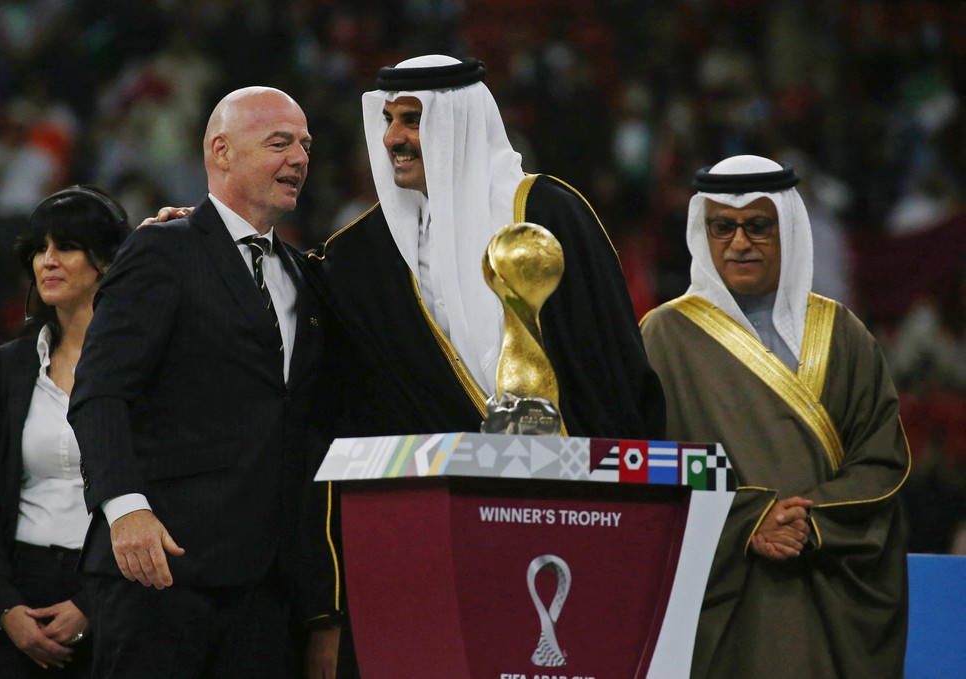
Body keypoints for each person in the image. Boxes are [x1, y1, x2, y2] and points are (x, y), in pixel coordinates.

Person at [67, 87, 343, 678]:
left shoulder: (305, 275)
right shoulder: (161, 250)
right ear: (221, 151)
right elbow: (101, 391)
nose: (299, 158)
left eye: (305, 144)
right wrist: (124, 509)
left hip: (267, 590)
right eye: (279, 143)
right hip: (162, 572)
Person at [640, 155, 910, 678]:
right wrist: (746, 519)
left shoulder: (845, 334)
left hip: (824, 584)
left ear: (787, 228)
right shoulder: (663, 338)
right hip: (720, 594)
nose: (739, 243)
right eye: (723, 227)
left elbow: (882, 461)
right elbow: (645, 471)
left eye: (758, 226)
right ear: (704, 231)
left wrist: (810, 519)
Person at [306, 54, 665, 439]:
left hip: (573, 480)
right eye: (388, 119)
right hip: (449, 486)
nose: (393, 138)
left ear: (458, 124)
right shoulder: (370, 250)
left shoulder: (547, 213)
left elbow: (608, 363)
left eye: (412, 119)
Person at [0, 185, 132, 677]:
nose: (47, 261)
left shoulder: (142, 366)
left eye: (65, 247)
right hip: (17, 587)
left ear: (106, 261)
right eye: (39, 250)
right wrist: (4, 609)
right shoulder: (9, 366)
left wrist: (91, 603)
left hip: (114, 590)